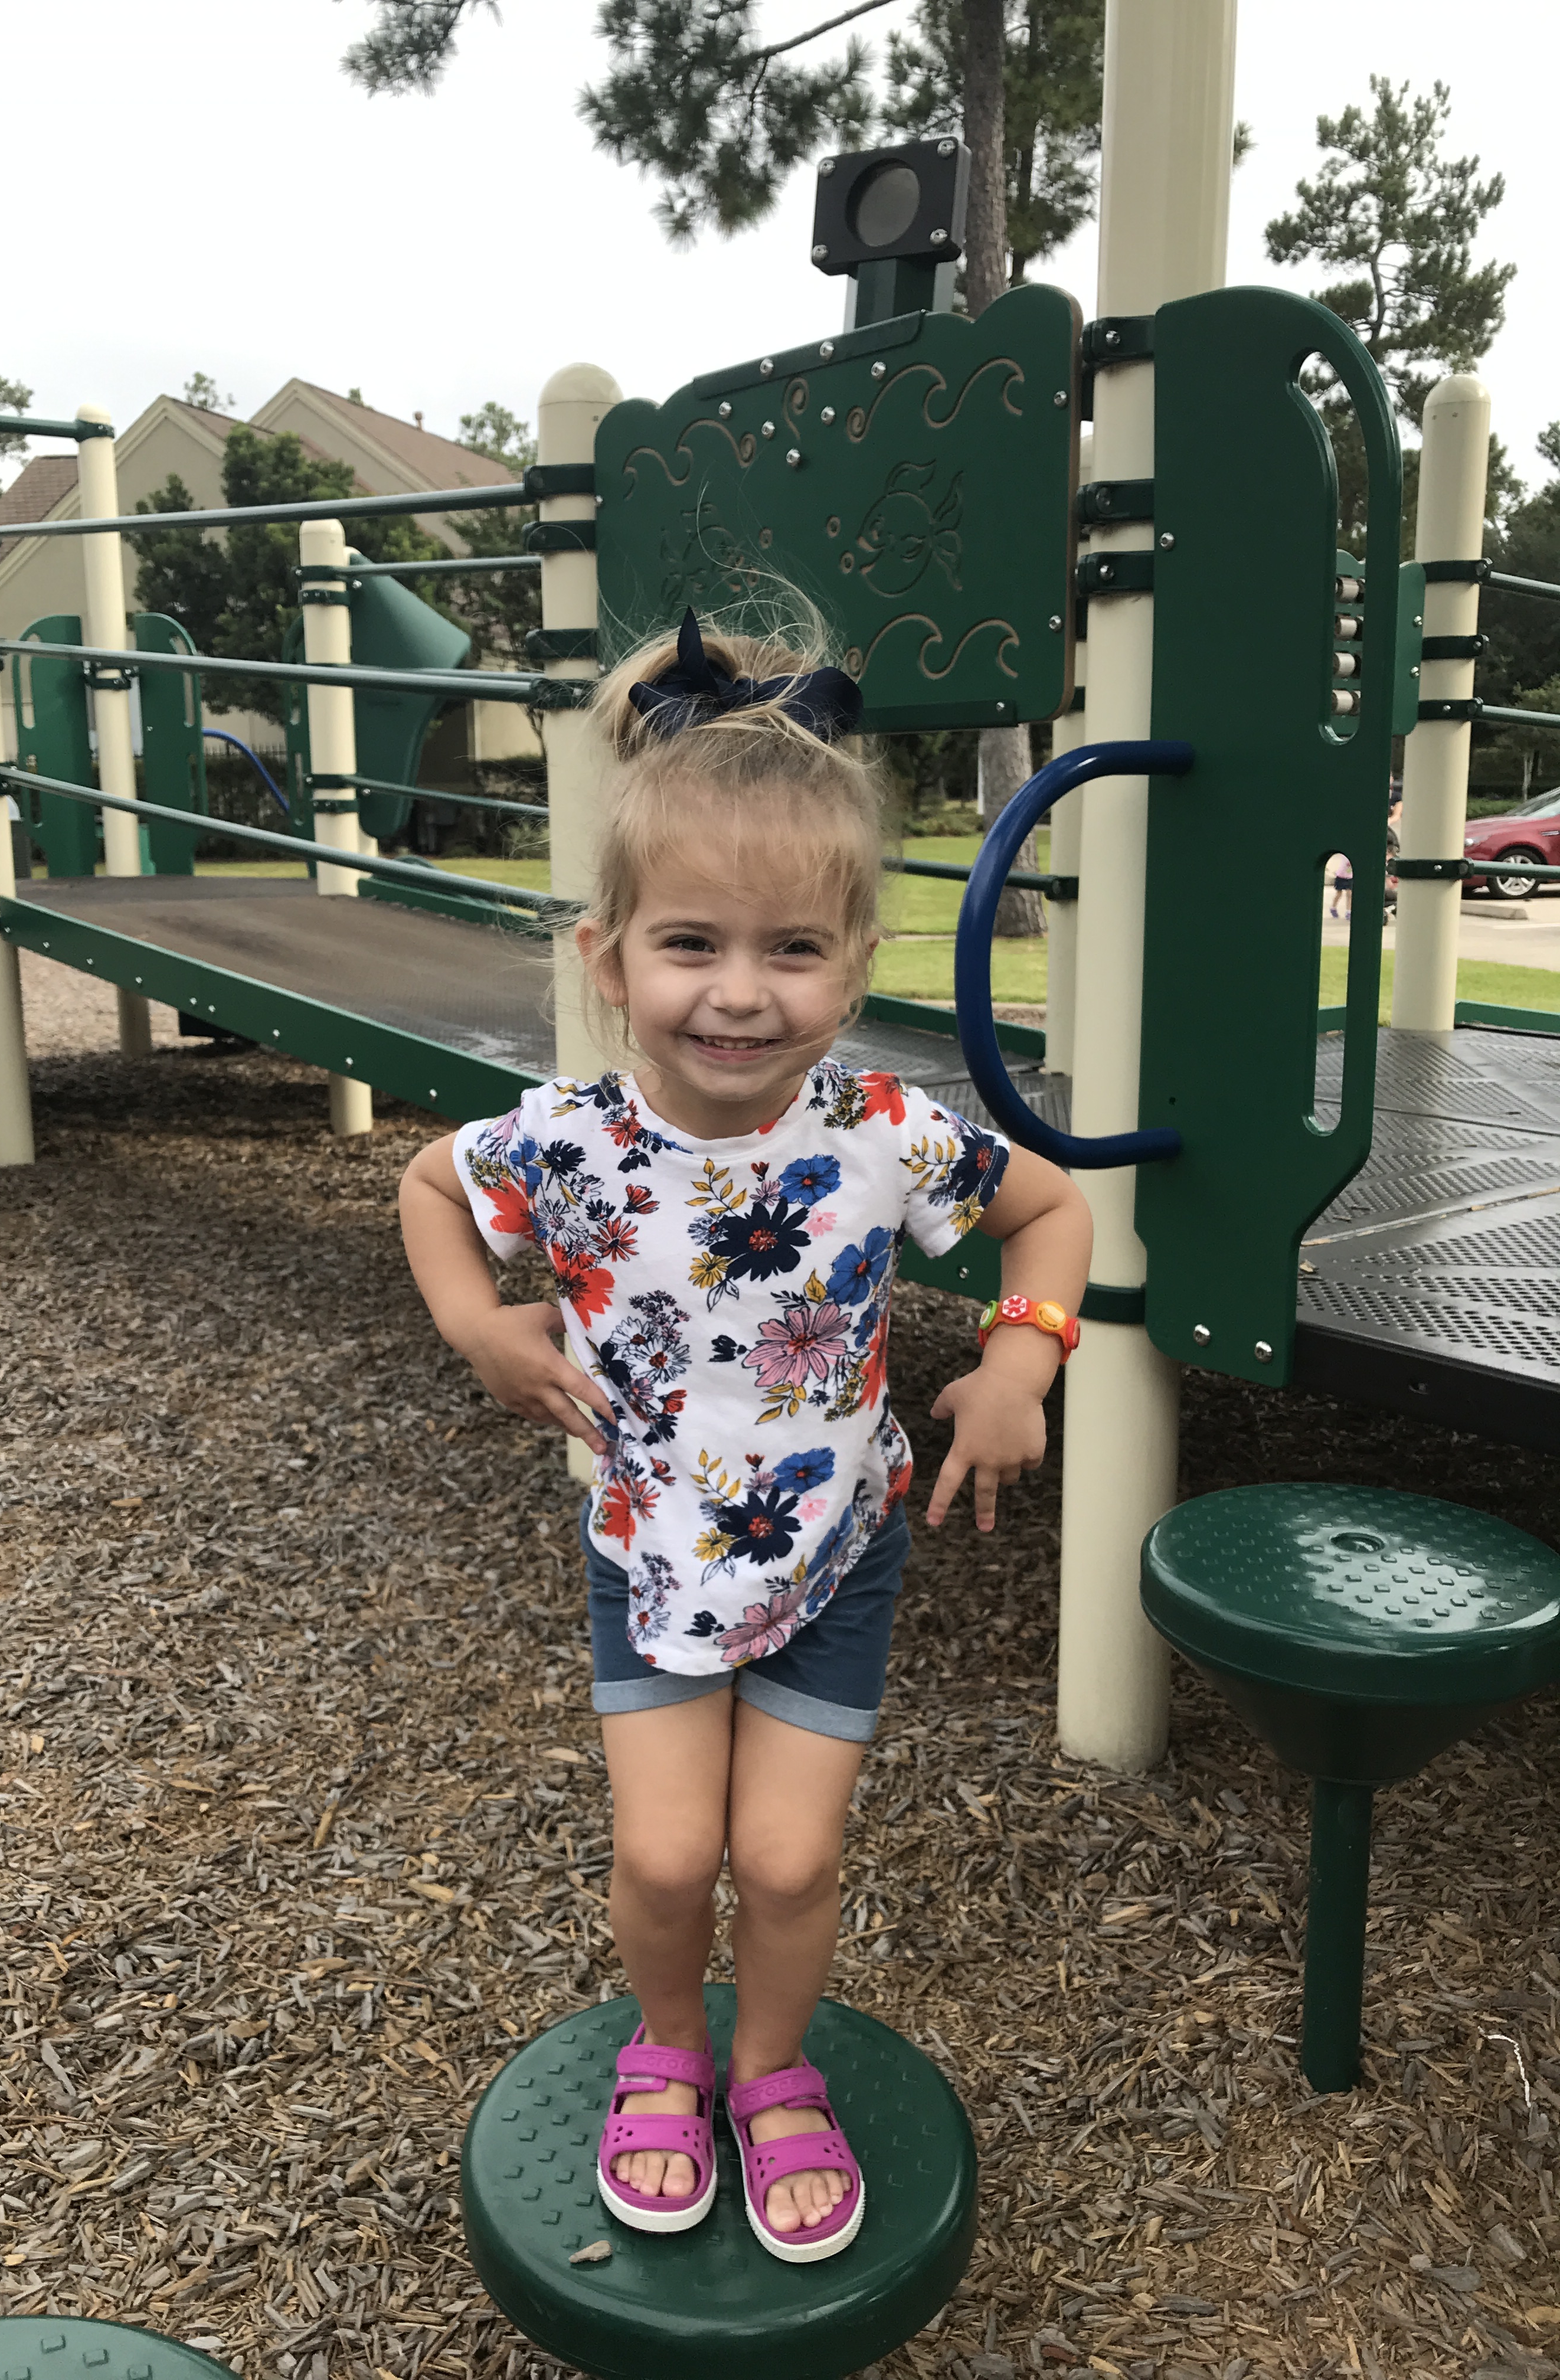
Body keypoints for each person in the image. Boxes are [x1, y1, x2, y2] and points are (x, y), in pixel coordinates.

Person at [399, 611, 1091, 2265]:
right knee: (663, 1854)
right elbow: (428, 1184)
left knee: (784, 1862)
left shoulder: (880, 1127)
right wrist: (477, 1325)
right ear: (608, 958)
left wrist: (1023, 1361)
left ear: (853, 964)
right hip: (651, 1553)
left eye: (792, 950)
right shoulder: (569, 1141)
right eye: (690, 943)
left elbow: (1053, 1209)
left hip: (836, 1554)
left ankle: (771, 2070)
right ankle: (666, 2051)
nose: (737, 991)